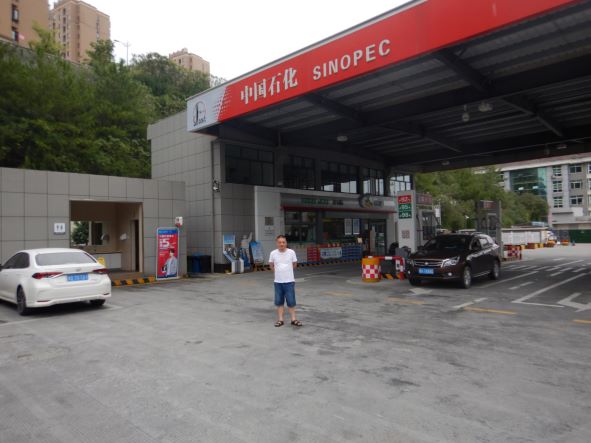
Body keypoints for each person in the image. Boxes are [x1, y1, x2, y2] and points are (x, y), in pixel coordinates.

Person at [269, 235, 302, 327]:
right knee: (279, 302)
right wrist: (278, 272)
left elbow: (294, 264)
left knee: (291, 301)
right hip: (278, 282)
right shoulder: (273, 253)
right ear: (277, 243)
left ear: (286, 243)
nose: (281, 244)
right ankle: (280, 320)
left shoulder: (291, 252)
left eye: (283, 242)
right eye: (279, 242)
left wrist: (287, 272)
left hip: (289, 281)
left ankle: (293, 319)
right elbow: (271, 265)